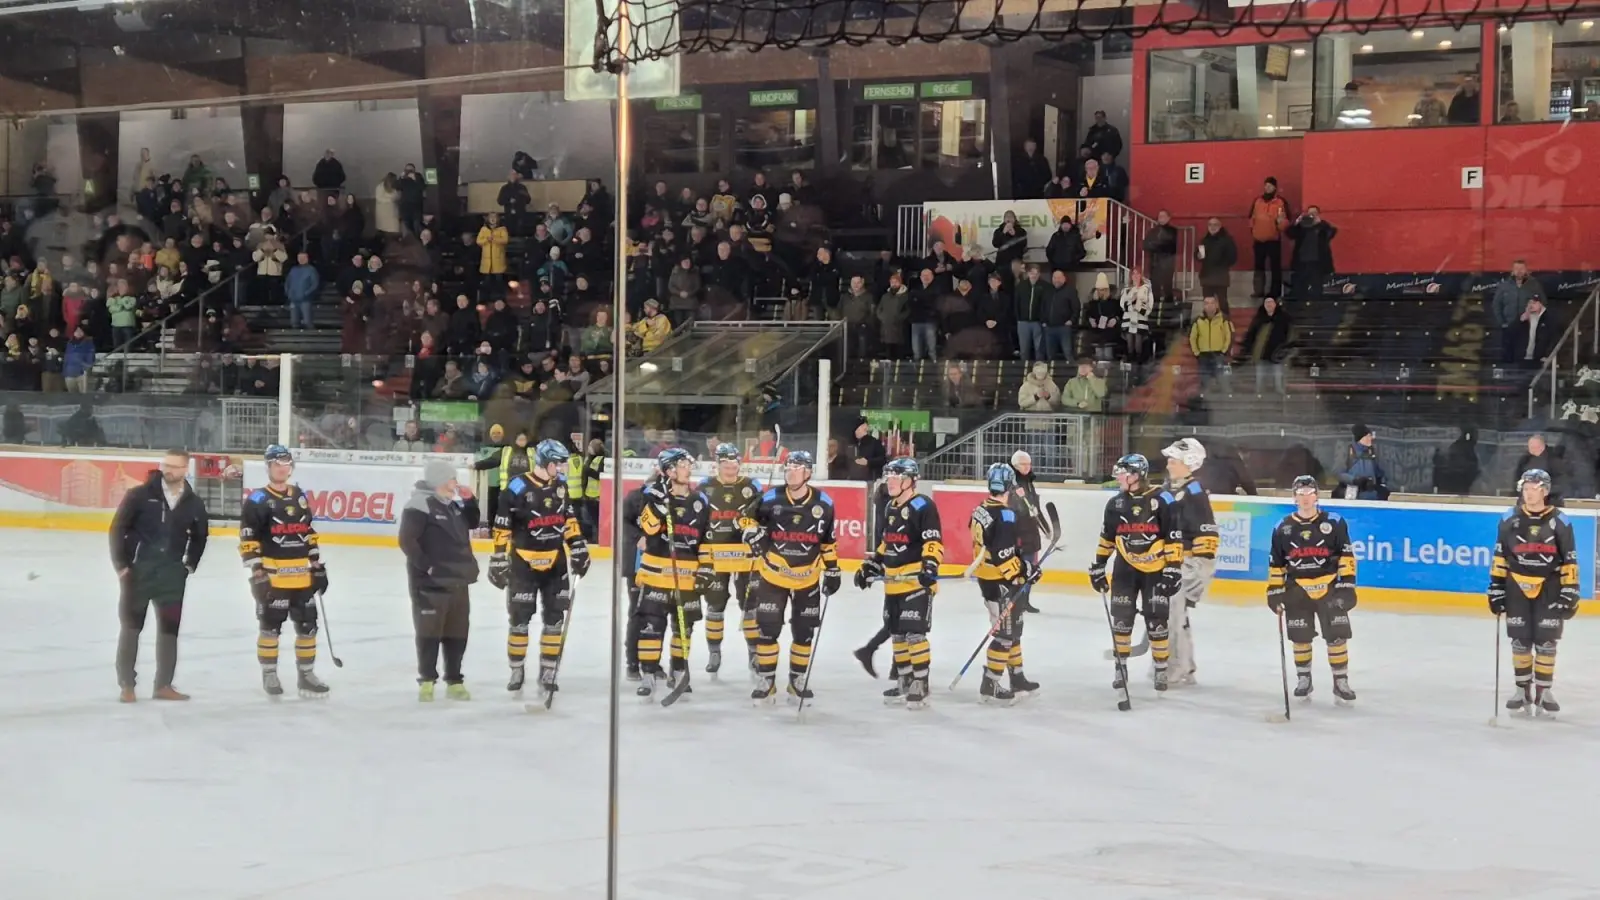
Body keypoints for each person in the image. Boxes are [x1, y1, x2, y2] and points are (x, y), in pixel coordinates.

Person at [488, 439, 590, 701]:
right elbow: (502, 525)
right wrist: (499, 557)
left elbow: (569, 520)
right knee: (519, 621)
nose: (564, 468)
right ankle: (516, 669)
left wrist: (578, 547)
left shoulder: (561, 486)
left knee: (555, 619)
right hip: (523, 562)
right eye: (560, 463)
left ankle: (548, 670)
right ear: (547, 463)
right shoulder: (516, 487)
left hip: (555, 562)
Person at [110, 449, 209, 703]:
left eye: (175, 466)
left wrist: (189, 566)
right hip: (138, 574)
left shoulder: (194, 503)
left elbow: (200, 536)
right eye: (166, 465)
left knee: (169, 631)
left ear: (186, 469)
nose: (169, 470)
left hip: (172, 578)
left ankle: (163, 685)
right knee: (131, 628)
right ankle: (127, 686)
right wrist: (123, 565)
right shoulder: (140, 496)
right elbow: (117, 529)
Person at [744, 450, 841, 705]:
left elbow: (828, 542)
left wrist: (832, 570)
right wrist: (750, 532)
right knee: (767, 630)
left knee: (804, 632)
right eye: (788, 466)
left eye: (797, 467)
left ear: (808, 473)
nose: (790, 471)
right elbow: (745, 520)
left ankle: (797, 680)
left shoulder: (825, 503)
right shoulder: (770, 497)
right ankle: (766, 681)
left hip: (807, 578)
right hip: (773, 575)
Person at [239, 445, 331, 698]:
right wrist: (257, 571)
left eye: (286, 464)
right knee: (270, 628)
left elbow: (308, 532)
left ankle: (306, 675)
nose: (282, 469)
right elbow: (248, 536)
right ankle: (269, 675)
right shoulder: (257, 499)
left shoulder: (299, 495)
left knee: (308, 627)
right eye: (277, 464)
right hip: (274, 578)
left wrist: (316, 564)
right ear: (268, 467)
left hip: (302, 578)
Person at [1089, 453, 1182, 696]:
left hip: (1156, 570)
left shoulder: (1163, 500)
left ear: (1137, 475)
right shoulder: (1116, 504)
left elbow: (1173, 536)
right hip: (1125, 569)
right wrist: (1099, 565)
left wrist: (1173, 568)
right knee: (1121, 619)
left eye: (1123, 473)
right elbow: (1107, 538)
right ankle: (1121, 667)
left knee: (1156, 619)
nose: (1118, 478)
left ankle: (1161, 667)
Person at [1488, 468, 1578, 715]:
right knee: (1520, 640)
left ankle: (1544, 690)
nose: (1528, 494)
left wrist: (1570, 591)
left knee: (1547, 640)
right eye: (1525, 489)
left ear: (1545, 492)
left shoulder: (1560, 521)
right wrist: (1496, 587)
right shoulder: (1508, 519)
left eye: (1534, 490)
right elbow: (1500, 556)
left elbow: (1570, 558)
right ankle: (1521, 689)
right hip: (1516, 585)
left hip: (1549, 587)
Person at [852, 457, 940, 708]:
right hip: (893, 582)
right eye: (888, 476)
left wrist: (930, 565)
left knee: (915, 634)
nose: (890, 481)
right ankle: (904, 680)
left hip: (915, 583)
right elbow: (887, 542)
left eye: (896, 477)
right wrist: (873, 564)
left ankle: (920, 683)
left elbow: (933, 540)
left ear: (911, 481)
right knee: (898, 635)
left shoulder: (924, 506)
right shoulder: (891, 506)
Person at [1268, 475, 1358, 703]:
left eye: (1309, 493)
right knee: (1300, 636)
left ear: (1317, 496)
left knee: (1337, 636)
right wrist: (1274, 592)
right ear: (1294, 498)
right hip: (1297, 589)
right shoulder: (1283, 527)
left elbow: (1346, 556)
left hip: (1329, 587)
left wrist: (1347, 586)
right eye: (1301, 494)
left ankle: (1340, 681)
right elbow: (1276, 563)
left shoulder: (1335, 522)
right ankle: (1304, 679)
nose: (1305, 498)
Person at [632, 448, 712, 698]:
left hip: (687, 576)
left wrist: (707, 568)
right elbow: (648, 527)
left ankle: (678, 671)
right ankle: (647, 674)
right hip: (656, 573)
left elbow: (706, 539)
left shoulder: (701, 501)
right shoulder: (652, 494)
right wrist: (657, 504)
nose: (689, 468)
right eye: (683, 464)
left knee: (684, 628)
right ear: (669, 471)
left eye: (688, 464)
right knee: (650, 626)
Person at [398, 459, 480, 701]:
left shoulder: (451, 505)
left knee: (457, 632)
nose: (455, 484)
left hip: (458, 580)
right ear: (439, 480)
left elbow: (473, 522)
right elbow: (407, 541)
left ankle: (454, 679)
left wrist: (469, 500)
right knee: (429, 633)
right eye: (452, 479)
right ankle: (427, 680)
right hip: (430, 584)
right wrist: (428, 567)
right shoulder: (419, 504)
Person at [970, 462, 1038, 704]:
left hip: (987, 579)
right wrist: (1025, 571)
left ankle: (1017, 677)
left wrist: (1023, 570)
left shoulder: (980, 509)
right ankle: (991, 683)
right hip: (1000, 582)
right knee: (1005, 635)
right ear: (1009, 485)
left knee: (1013, 630)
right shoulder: (1006, 515)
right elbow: (1003, 557)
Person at [697, 444, 763, 677]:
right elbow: (697, 520)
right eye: (726, 464)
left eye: (734, 463)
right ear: (717, 464)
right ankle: (714, 652)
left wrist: (753, 526)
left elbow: (761, 516)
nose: (731, 468)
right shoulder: (705, 487)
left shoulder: (751, 485)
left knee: (751, 608)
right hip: (716, 554)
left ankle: (754, 653)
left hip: (746, 556)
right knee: (715, 605)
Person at [1161, 438, 1217, 688]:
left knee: (1173, 616)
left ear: (1189, 462)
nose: (1168, 463)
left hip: (1187, 565)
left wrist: (1196, 567)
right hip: (1173, 563)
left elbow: (1207, 534)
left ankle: (1176, 668)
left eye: (1174, 459)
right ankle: (1186, 666)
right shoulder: (1172, 488)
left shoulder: (1193, 492)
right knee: (1175, 616)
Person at [1247, 177, 1291, 299]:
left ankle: (1275, 291)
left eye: (1270, 186)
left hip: (1273, 240)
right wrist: (1253, 230)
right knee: (1258, 266)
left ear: (1275, 187)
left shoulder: (1281, 202)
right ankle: (1258, 291)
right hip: (1258, 239)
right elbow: (1251, 217)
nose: (1267, 188)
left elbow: (1287, 220)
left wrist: (1280, 224)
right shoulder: (1257, 201)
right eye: (1266, 185)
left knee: (1275, 267)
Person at [1338, 425, 1388, 500]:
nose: (1370, 438)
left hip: (1372, 497)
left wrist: (1382, 487)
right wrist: (1355, 480)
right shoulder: (1348, 451)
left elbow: (1380, 473)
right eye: (1368, 436)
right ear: (1361, 438)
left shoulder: (1372, 452)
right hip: (1352, 496)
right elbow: (1340, 473)